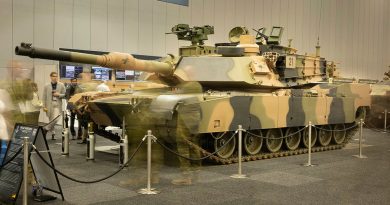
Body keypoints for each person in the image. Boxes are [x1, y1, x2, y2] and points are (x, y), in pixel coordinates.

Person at [42, 72, 66, 140]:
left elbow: (65, 94)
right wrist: (44, 106)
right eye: (53, 76)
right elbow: (44, 96)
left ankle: (46, 128)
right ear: (50, 77)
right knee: (51, 119)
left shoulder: (61, 85)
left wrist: (59, 95)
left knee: (56, 118)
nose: (55, 77)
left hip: (58, 104)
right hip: (49, 104)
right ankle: (53, 133)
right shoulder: (46, 85)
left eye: (56, 76)